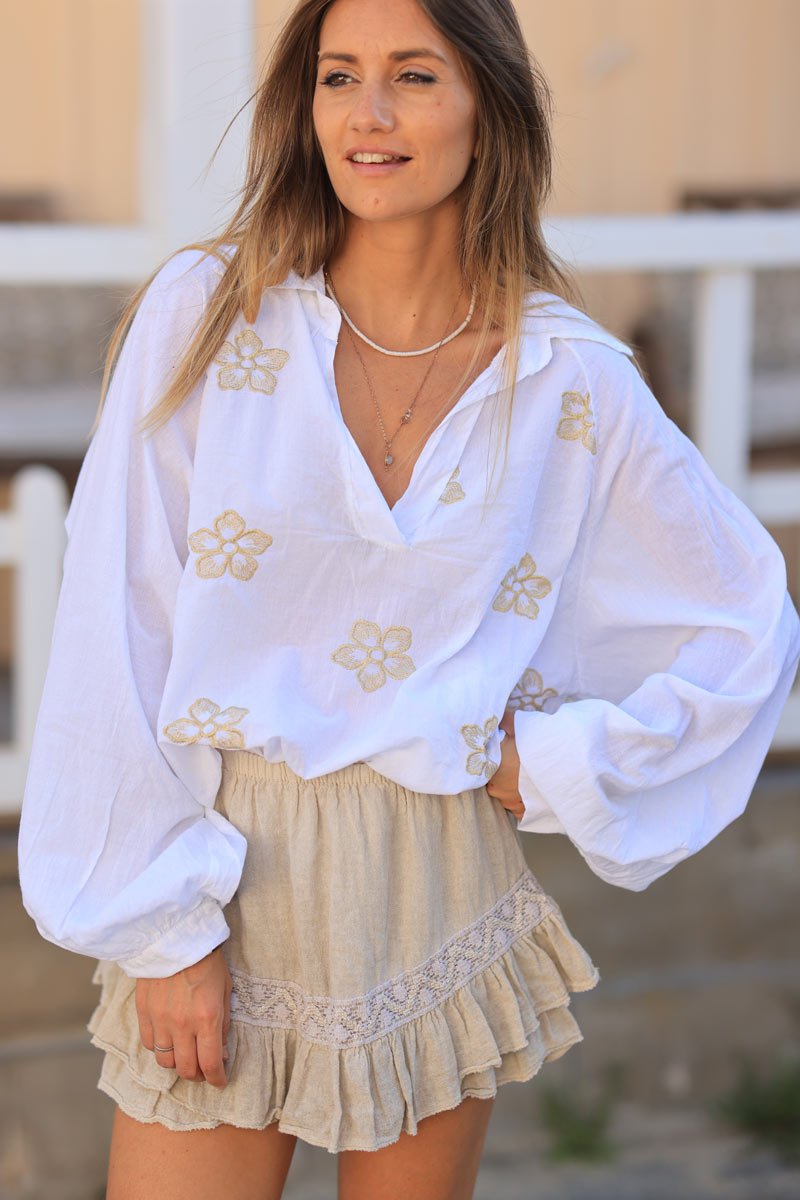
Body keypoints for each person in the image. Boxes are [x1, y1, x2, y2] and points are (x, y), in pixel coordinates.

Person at [18, 0, 800, 1197]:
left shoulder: (566, 379)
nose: (367, 115)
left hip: (434, 873)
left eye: (412, 76)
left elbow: (745, 622)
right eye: (338, 77)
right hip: (223, 863)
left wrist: (550, 761)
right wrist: (162, 927)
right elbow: (117, 627)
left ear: (487, 105)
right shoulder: (208, 317)